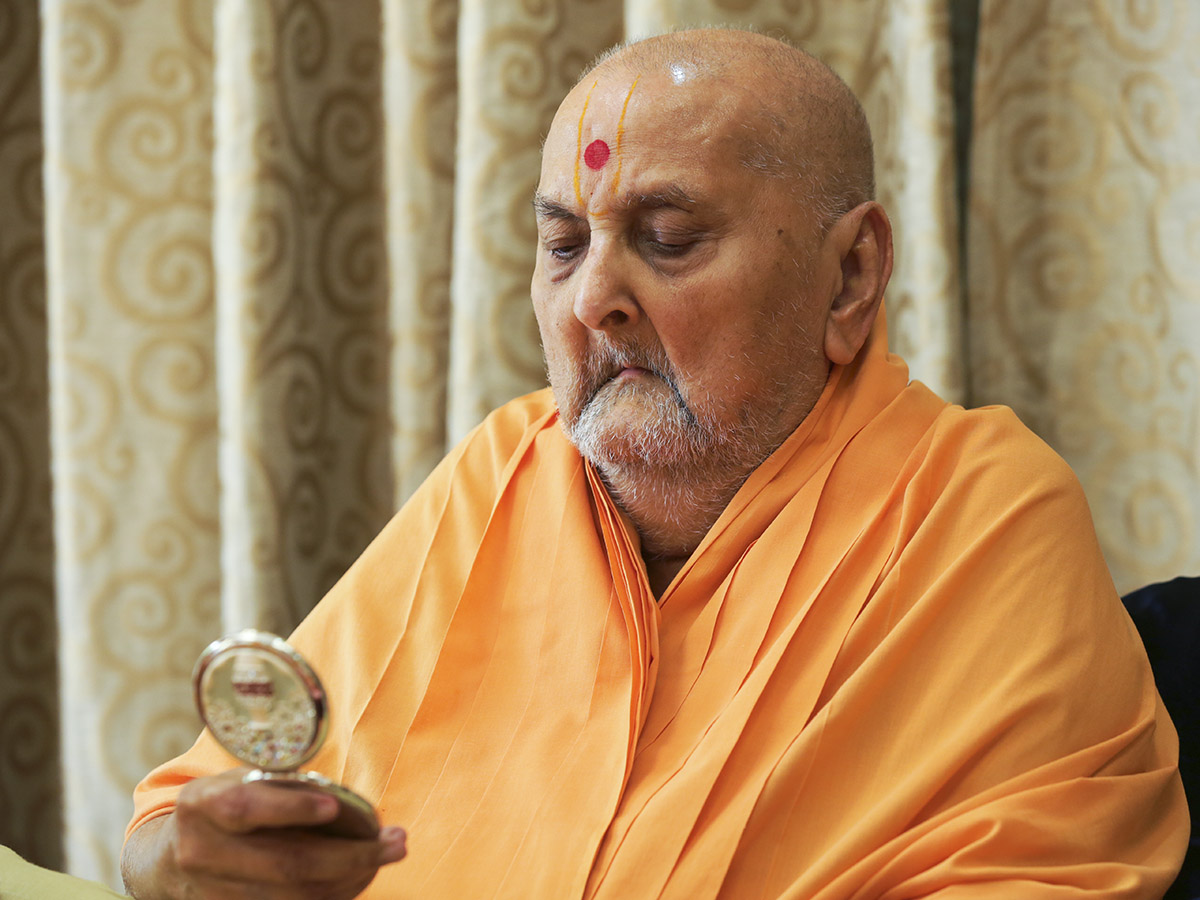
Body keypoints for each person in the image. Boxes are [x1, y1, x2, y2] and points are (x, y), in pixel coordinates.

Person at [120, 28, 1189, 900]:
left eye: (667, 239)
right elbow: (177, 823)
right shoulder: (501, 475)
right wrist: (191, 862)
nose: (592, 299)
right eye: (563, 245)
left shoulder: (976, 513)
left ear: (851, 277)